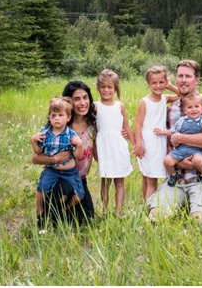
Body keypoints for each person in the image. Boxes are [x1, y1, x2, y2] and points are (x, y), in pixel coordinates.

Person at [146, 60, 202, 220]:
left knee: (199, 221)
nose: (183, 80)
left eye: (188, 76)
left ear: (197, 80)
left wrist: (182, 138)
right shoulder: (171, 108)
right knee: (155, 217)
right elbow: (165, 142)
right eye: (180, 76)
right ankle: (181, 202)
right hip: (178, 178)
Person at [31, 80, 99, 226]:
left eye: (85, 97)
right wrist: (54, 158)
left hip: (79, 178)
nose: (82, 103)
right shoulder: (60, 125)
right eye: (77, 99)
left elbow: (110, 106)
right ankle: (46, 215)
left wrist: (123, 132)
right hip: (59, 176)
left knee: (86, 219)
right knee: (60, 195)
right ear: (69, 102)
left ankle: (63, 211)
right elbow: (35, 158)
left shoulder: (91, 122)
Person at [31, 97, 84, 227]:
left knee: (79, 195)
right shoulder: (44, 133)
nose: (56, 118)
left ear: (68, 117)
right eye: (53, 115)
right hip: (52, 170)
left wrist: (79, 145)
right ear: (49, 117)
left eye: (61, 115)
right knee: (42, 188)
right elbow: (38, 152)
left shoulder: (71, 135)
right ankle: (40, 211)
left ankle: (63, 210)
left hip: (69, 172)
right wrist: (33, 140)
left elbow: (78, 156)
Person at [133, 65, 179, 202]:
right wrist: (138, 144)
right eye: (154, 83)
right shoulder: (144, 102)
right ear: (148, 84)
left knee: (149, 176)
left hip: (160, 142)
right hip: (148, 143)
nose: (158, 86)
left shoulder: (165, 98)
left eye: (161, 82)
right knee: (150, 178)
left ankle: (146, 205)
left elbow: (183, 95)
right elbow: (138, 124)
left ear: (166, 82)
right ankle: (149, 208)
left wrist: (170, 86)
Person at [154, 92, 202, 187]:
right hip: (181, 149)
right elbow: (173, 131)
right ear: (185, 110)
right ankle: (174, 175)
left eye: (196, 106)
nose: (193, 109)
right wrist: (162, 132)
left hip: (196, 149)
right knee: (167, 161)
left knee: (198, 161)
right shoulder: (182, 120)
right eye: (189, 107)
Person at [95, 69, 133, 215]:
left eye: (109, 87)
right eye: (103, 87)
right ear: (98, 88)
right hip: (104, 146)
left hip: (119, 146)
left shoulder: (119, 106)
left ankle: (118, 211)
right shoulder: (95, 106)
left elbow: (126, 126)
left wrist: (135, 145)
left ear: (115, 89)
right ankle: (105, 210)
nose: (106, 90)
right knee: (106, 180)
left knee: (119, 180)